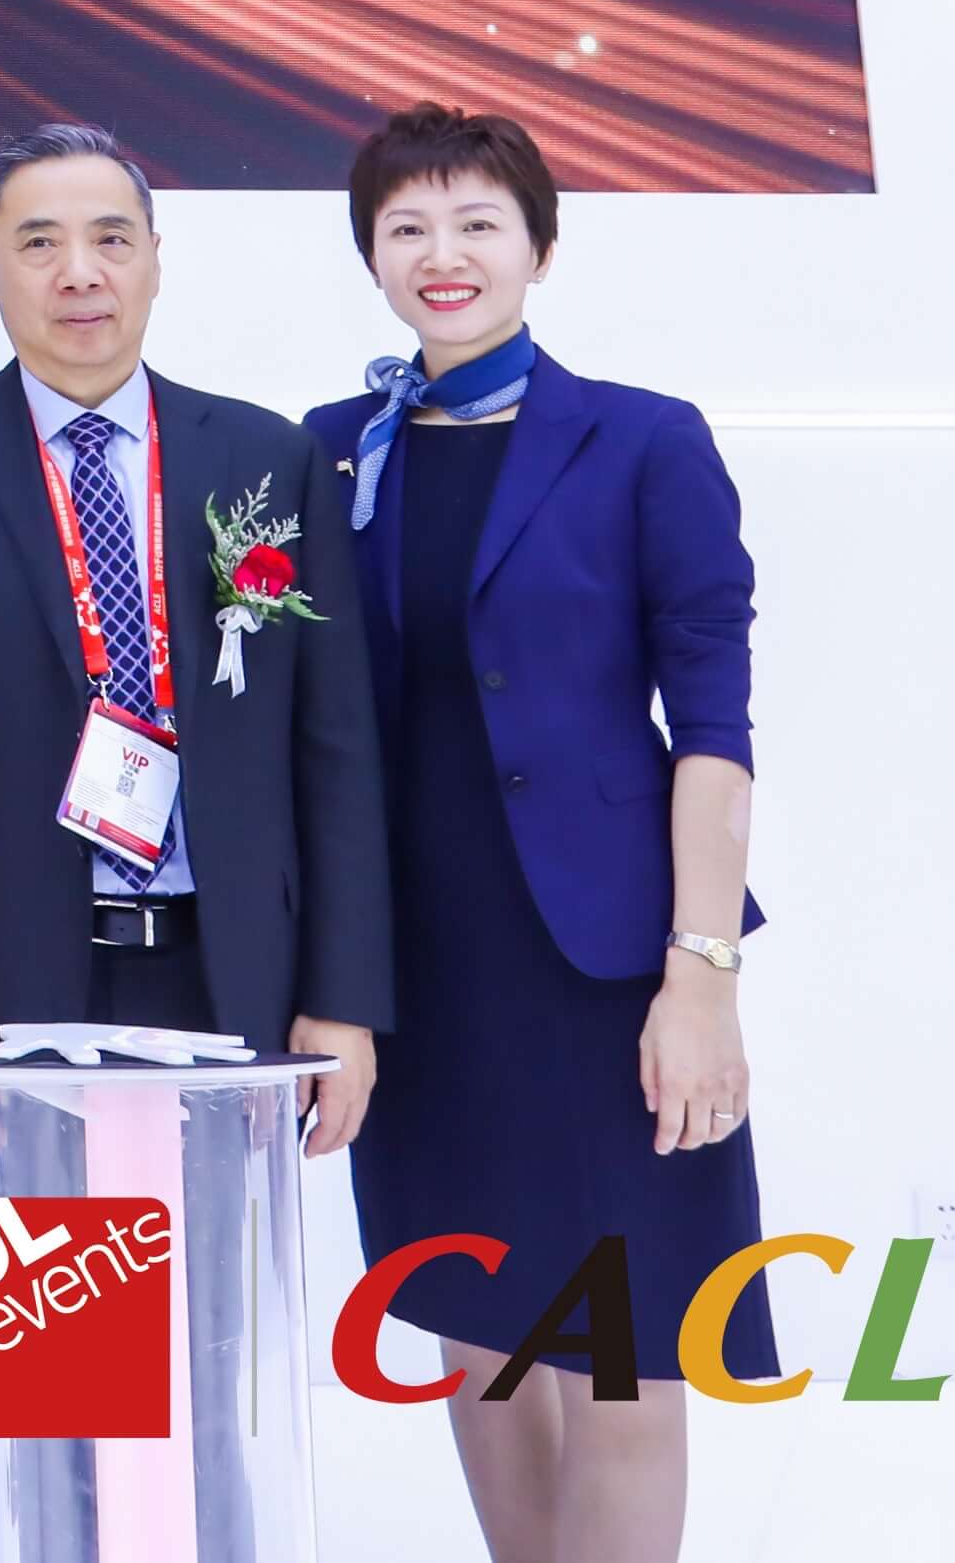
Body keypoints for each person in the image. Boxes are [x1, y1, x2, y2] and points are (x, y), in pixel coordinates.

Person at [299, 105, 768, 1563]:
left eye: (476, 223)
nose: (441, 254)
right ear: (373, 256)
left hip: (603, 966)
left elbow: (714, 726)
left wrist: (699, 975)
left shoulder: (640, 438)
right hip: (417, 966)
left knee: (623, 1342)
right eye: (407, 227)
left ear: (539, 248)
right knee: (478, 1331)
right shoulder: (329, 453)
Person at [0, 121, 389, 1124]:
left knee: (219, 1233)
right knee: (34, 1236)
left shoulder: (268, 460)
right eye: (38, 243)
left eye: (110, 239)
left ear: (153, 260)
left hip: (238, 968)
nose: (79, 273)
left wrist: (342, 995)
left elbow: (336, 747)